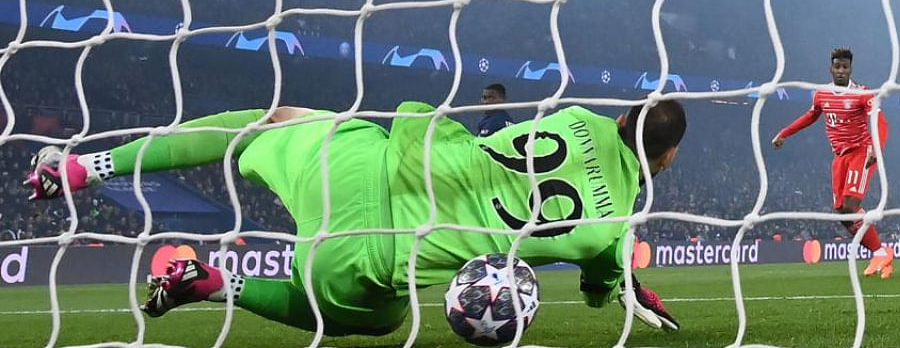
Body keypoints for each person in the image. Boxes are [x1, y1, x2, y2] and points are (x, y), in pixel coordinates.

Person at [25, 99, 685, 335]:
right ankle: (214, 282)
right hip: (369, 255)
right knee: (377, 319)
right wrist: (622, 283)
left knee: (266, 121)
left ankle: (86, 168)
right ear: (668, 157)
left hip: (366, 161)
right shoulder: (612, 228)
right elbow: (604, 291)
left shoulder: (574, 117)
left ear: (624, 116)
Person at [772, 47, 894, 278]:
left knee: (850, 206)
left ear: (850, 69)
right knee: (840, 211)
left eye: (845, 67)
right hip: (839, 157)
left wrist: (876, 148)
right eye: (837, 66)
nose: (840, 71)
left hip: (861, 153)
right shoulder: (821, 94)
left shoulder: (862, 93)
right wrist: (784, 133)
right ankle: (882, 253)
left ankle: (879, 253)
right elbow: (811, 116)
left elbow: (881, 121)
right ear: (831, 68)